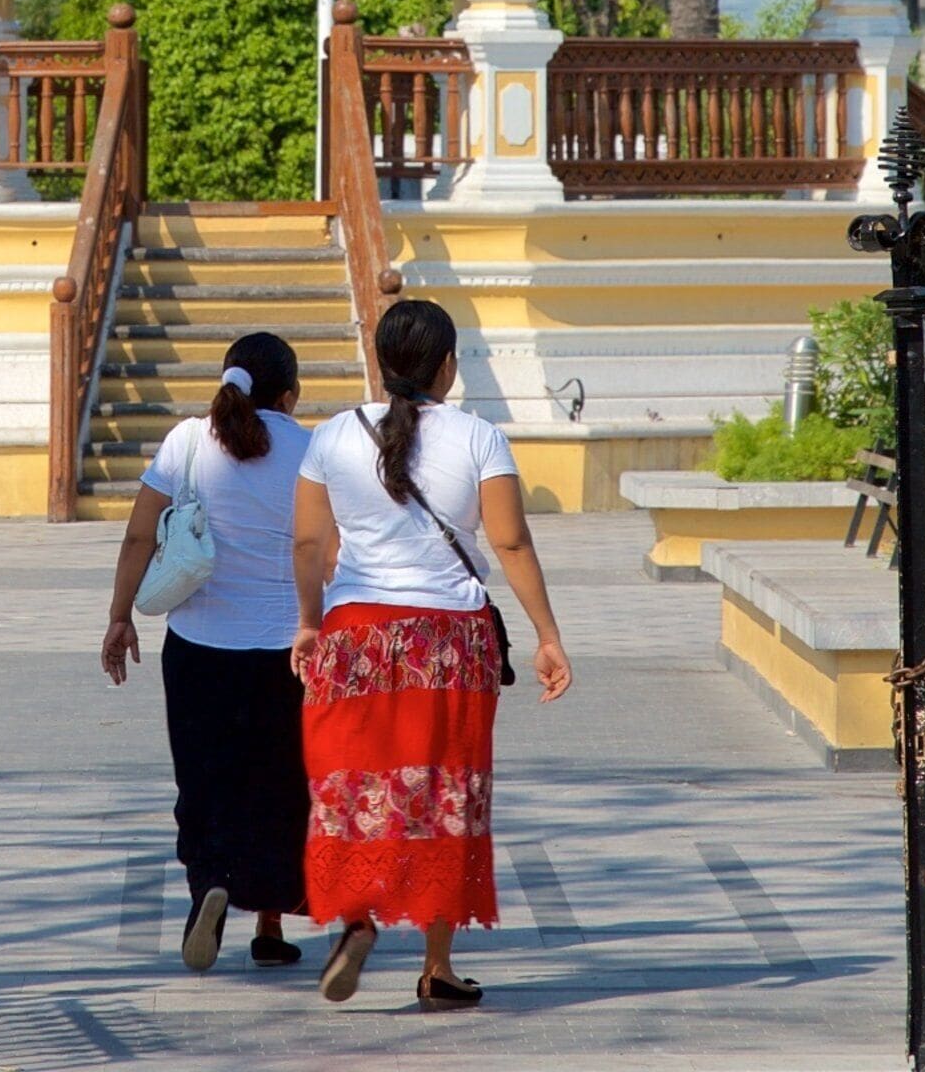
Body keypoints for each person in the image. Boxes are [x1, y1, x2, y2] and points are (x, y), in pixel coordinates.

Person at [288, 298, 573, 1009]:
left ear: (381, 362)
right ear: (448, 364)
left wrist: (308, 622)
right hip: (449, 641)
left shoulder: (330, 436)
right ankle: (437, 968)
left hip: (354, 635)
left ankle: (355, 918)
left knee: (353, 784)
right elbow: (508, 543)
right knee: (445, 792)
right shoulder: (479, 437)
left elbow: (306, 545)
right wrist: (547, 634)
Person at [100, 330, 312, 972]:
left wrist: (119, 617)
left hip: (198, 646)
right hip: (286, 653)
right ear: (291, 394)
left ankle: (208, 888)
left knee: (206, 780)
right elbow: (325, 547)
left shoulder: (188, 440)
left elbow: (141, 534)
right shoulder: (311, 448)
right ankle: (271, 926)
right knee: (279, 785)